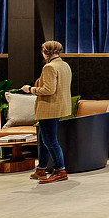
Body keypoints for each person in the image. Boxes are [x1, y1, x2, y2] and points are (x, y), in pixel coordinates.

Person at [21, 40, 72, 184]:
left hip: (49, 108)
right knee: (43, 140)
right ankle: (41, 169)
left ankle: (60, 170)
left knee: (50, 141)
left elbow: (49, 90)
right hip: (59, 107)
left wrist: (30, 89)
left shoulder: (49, 67)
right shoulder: (65, 65)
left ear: (46, 52)